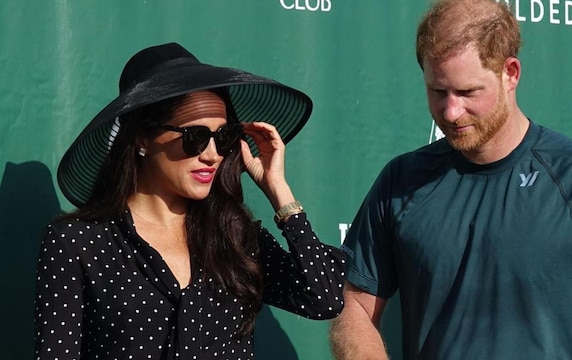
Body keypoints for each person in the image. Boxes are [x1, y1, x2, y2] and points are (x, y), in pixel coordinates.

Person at [329, 0, 572, 359]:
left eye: (466, 92)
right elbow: (354, 307)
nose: (450, 111)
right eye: (438, 91)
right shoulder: (400, 181)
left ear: (510, 73)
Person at [34, 42, 346, 360]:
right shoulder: (78, 241)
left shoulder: (236, 236)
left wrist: (278, 189)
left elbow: (324, 298)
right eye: (194, 137)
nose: (212, 155)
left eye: (223, 137)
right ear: (142, 138)